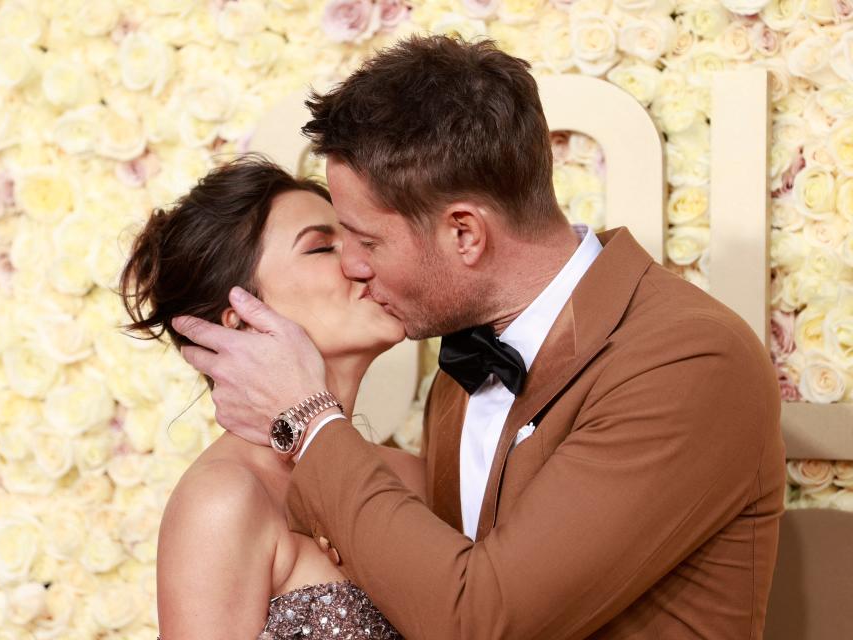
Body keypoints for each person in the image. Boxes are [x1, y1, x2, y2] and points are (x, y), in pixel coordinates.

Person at [173, 35, 786, 638]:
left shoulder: (684, 358)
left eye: (366, 240)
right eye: (330, 243)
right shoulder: (460, 374)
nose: (354, 266)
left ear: (464, 233)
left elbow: (481, 620)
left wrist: (307, 419)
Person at [119, 155, 417, 639]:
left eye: (360, 239)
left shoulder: (414, 476)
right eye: (322, 247)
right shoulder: (225, 501)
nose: (362, 260)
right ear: (241, 319)